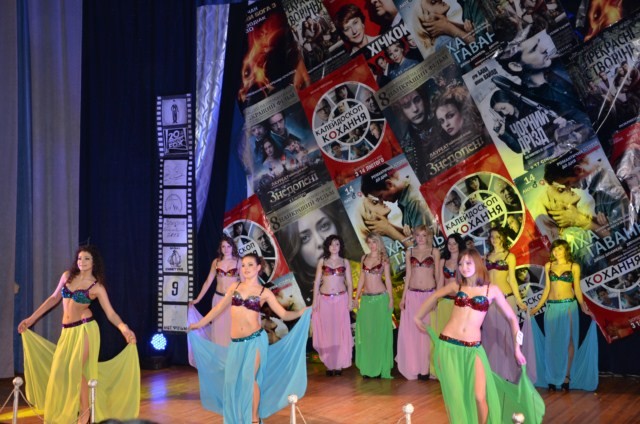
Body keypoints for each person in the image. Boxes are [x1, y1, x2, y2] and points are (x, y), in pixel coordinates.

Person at [414, 248, 544, 423]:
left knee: (479, 396)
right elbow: (436, 295)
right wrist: (417, 316)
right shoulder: (457, 286)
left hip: (473, 349)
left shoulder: (492, 290)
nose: (464, 267)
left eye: (468, 263)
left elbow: (512, 318)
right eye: (461, 264)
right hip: (448, 345)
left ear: (477, 263)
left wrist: (517, 349)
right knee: (457, 396)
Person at [18, 245, 139, 424]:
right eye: (80, 258)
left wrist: (124, 328)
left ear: (94, 262)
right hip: (67, 331)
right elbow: (53, 299)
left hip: (85, 329)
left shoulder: (96, 287)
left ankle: (85, 412)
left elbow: (111, 314)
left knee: (75, 368)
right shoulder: (67, 276)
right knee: (60, 370)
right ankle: (75, 408)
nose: (82, 261)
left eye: (87, 258)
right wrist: (30, 319)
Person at [188, 253, 311, 423]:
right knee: (231, 382)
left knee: (249, 379)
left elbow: (283, 314)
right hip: (236, 343)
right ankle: (236, 418)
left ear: (258, 267)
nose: (246, 268)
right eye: (244, 265)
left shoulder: (264, 292)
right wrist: (198, 324)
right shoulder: (235, 287)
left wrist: (302, 312)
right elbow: (217, 309)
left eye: (250, 265)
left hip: (255, 340)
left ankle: (254, 419)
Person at [530, 239, 598, 391]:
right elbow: (547, 289)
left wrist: (583, 307)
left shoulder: (574, 266)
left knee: (569, 342)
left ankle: (566, 376)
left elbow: (578, 289)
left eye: (559, 249)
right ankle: (552, 376)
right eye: (554, 249)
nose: (556, 252)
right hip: (552, 307)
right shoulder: (549, 266)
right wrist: (537, 307)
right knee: (552, 343)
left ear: (566, 250)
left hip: (569, 306)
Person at [277, 204, 360, 304]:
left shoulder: (362, 272)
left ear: (337, 226)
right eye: (305, 238)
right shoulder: (294, 300)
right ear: (296, 250)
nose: (320, 242)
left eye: (324, 226)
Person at [482, 228, 535, 383]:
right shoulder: (486, 257)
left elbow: (512, 279)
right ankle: (493, 373)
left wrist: (518, 300)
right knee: (491, 336)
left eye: (497, 236)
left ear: (503, 238)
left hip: (506, 299)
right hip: (490, 301)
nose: (494, 239)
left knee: (508, 336)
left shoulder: (509, 256)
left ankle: (509, 373)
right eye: (492, 236)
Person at [396, 225, 440, 380]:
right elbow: (408, 275)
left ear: (428, 236)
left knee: (427, 333)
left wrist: (437, 297)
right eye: (418, 235)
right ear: (414, 236)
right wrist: (403, 298)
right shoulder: (410, 252)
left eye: (424, 235)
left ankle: (426, 368)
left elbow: (438, 275)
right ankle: (414, 367)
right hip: (412, 295)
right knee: (413, 333)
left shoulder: (434, 252)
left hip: (429, 296)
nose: (421, 238)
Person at [311, 235, 355, 376]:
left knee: (340, 332)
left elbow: (350, 283)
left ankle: (339, 364)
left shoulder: (345, 262)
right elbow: (316, 283)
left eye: (337, 244)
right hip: (324, 300)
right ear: (327, 247)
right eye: (331, 244)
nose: (334, 247)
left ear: (340, 246)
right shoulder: (322, 261)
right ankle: (330, 365)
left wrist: (350, 301)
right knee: (327, 332)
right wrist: (314, 302)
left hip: (341, 299)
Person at [355, 232, 394, 378]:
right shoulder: (364, 258)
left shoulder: (384, 259)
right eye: (370, 242)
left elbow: (388, 280)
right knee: (367, 334)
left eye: (374, 242)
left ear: (379, 243)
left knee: (380, 334)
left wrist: (391, 298)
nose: (372, 245)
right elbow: (361, 278)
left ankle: (379, 367)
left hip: (380, 299)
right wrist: (356, 297)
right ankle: (368, 367)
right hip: (366, 300)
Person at [189, 235, 241, 346]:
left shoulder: (238, 262)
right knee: (218, 328)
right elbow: (208, 282)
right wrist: (198, 299)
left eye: (228, 246)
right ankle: (219, 354)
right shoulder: (216, 262)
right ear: (220, 248)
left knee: (232, 328)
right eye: (223, 246)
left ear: (233, 247)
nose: (226, 249)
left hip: (232, 300)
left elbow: (245, 283)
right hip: (218, 298)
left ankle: (232, 354)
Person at [361, 163, 434, 231]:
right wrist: (389, 226)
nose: (381, 200)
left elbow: (424, 237)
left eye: (380, 196)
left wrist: (389, 230)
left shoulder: (414, 202)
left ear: (389, 184)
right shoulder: (407, 197)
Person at [393, 88, 435, 182]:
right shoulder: (405, 146)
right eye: (406, 106)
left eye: (417, 100)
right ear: (401, 111)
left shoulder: (443, 122)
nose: (415, 109)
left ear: (423, 99)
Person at [435, 233, 465, 340]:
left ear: (459, 244)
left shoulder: (464, 261)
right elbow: (440, 282)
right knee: (445, 333)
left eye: (454, 244)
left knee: (460, 334)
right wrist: (435, 299)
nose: (451, 246)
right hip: (445, 301)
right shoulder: (443, 261)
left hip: (461, 302)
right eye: (449, 244)